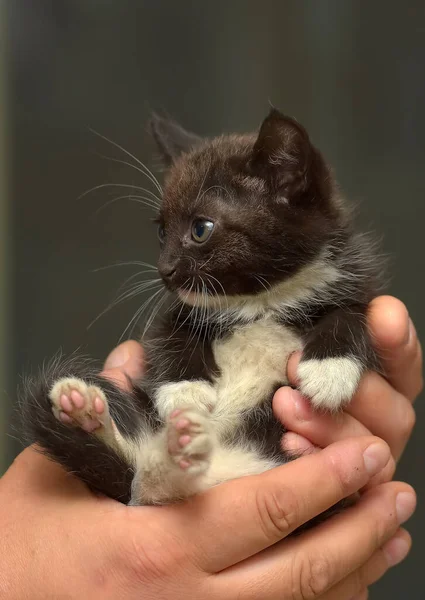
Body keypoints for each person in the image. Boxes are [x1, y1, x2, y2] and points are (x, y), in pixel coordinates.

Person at [0, 296, 421, 599]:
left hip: (232, 468)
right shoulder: (194, 311)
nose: (168, 267)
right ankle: (149, 464)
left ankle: (151, 466)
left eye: (200, 229)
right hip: (203, 466)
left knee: (163, 469)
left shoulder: (332, 298)